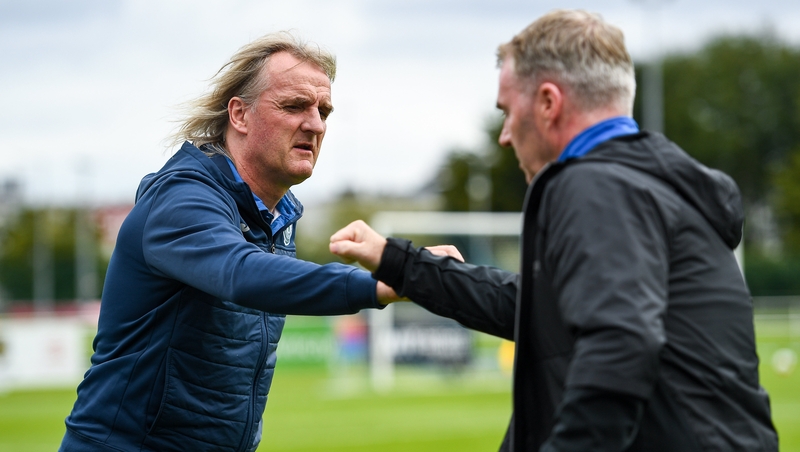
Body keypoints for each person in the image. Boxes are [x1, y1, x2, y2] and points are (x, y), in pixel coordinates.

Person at [330, 9, 778, 452]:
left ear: (548, 102)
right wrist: (400, 261)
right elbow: (542, 309)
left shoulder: (595, 184)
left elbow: (620, 344)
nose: (505, 134)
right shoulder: (652, 186)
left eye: (507, 110)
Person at [59, 33, 399, 452]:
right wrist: (383, 281)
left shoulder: (277, 215)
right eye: (294, 106)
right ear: (239, 114)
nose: (315, 124)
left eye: (323, 110)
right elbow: (240, 272)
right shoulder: (183, 197)